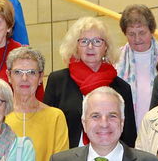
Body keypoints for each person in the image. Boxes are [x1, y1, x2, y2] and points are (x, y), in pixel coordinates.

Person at [43, 16, 136, 147]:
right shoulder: (58, 81)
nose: (90, 46)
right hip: (68, 160)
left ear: (106, 47)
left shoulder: (122, 88)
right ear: (76, 47)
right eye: (84, 41)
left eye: (97, 41)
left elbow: (128, 136)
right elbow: (48, 128)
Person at [5, 46, 70, 161]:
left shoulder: (55, 117)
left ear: (41, 78)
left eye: (31, 73)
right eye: (18, 72)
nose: (24, 78)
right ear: (8, 76)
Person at [116, 4, 158, 132]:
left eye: (142, 33)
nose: (137, 39)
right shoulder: (115, 60)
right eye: (131, 34)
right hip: (126, 132)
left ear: (151, 30)